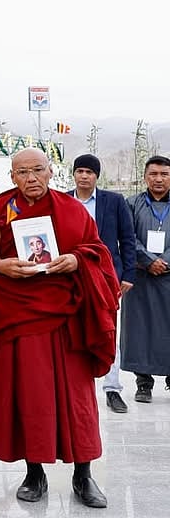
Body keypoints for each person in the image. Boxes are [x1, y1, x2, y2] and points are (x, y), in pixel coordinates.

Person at [0, 148, 118, 508]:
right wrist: (1, 267)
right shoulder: (3, 208)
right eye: (22, 172)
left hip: (66, 315)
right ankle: (34, 473)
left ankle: (84, 476)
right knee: (29, 395)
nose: (31, 179)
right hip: (19, 313)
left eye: (37, 170)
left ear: (51, 171)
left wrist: (75, 259)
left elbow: (97, 253)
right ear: (12, 177)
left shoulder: (71, 210)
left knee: (77, 400)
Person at [68, 153, 135, 414]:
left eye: (89, 172)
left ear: (97, 176)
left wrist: (128, 274)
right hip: (70, 275)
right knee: (71, 331)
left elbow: (126, 239)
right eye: (80, 171)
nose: (84, 176)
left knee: (108, 330)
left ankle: (113, 388)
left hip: (105, 276)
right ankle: (73, 386)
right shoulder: (63, 200)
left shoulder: (114, 201)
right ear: (74, 174)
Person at [122, 155, 170, 404]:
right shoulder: (131, 204)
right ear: (145, 177)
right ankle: (143, 383)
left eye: (164, 174)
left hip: (169, 276)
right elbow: (128, 237)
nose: (159, 179)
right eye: (154, 174)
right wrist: (149, 260)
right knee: (140, 329)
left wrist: (165, 260)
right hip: (141, 275)